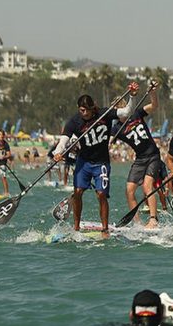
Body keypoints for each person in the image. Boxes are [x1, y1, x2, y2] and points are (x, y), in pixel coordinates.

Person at [53, 83, 140, 234]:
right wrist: (58, 152)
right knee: (78, 191)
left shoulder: (104, 113)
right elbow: (63, 140)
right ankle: (76, 227)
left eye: (87, 110)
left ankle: (105, 229)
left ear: (93, 107)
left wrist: (132, 96)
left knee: (101, 194)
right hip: (83, 162)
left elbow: (126, 111)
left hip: (101, 163)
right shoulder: (74, 122)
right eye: (81, 110)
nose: (85, 113)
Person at [116, 81, 163, 229]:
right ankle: (137, 222)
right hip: (140, 159)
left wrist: (152, 93)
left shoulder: (136, 113)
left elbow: (154, 106)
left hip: (153, 156)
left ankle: (153, 219)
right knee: (129, 190)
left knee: (147, 187)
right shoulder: (116, 128)